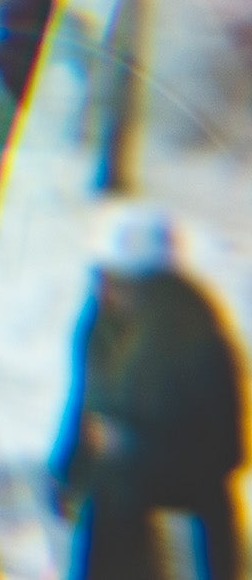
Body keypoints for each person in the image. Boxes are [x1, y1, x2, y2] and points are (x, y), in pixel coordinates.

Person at [54, 205, 247, 580]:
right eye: (104, 277)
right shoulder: (99, 325)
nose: (108, 291)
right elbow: (85, 405)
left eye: (123, 282)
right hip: (113, 519)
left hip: (180, 529)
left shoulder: (199, 341)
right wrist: (68, 470)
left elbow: (226, 451)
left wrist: (134, 446)